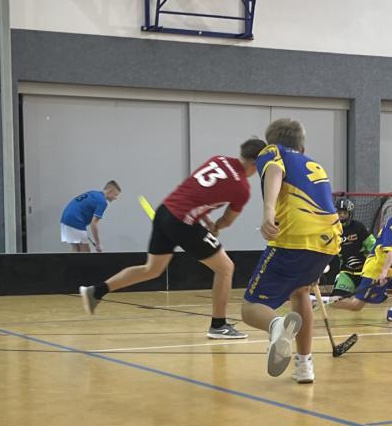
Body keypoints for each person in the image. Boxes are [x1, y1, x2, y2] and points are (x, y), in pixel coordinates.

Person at [78, 140, 264, 339]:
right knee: (225, 268)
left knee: (152, 269)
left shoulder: (218, 160)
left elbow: (195, 193)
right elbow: (227, 220)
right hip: (182, 222)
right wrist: (216, 227)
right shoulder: (242, 188)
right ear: (257, 163)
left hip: (165, 212)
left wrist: (207, 221)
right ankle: (218, 325)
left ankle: (96, 291)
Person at [240, 118, 342, 384]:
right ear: (302, 146)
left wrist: (268, 211)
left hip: (294, 238)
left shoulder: (273, 151)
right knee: (300, 293)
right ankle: (304, 365)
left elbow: (274, 170)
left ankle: (277, 327)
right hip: (328, 240)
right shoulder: (314, 165)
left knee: (250, 308)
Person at [329, 191, 392, 321]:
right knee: (356, 306)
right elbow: (391, 251)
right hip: (376, 270)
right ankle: (323, 300)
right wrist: (383, 272)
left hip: (388, 269)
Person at [316, 197, 374, 298]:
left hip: (366, 272)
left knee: (369, 300)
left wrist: (372, 263)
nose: (342, 215)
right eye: (339, 213)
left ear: (350, 213)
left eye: (345, 213)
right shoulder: (332, 230)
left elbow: (373, 246)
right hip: (346, 272)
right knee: (337, 299)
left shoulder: (359, 227)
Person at [60, 180, 121, 252]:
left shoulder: (93, 193)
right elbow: (93, 224)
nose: (115, 198)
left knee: (76, 250)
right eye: (115, 195)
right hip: (75, 221)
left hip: (65, 220)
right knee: (86, 252)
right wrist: (98, 244)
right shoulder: (102, 202)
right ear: (110, 191)